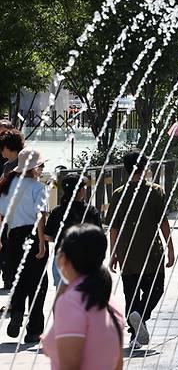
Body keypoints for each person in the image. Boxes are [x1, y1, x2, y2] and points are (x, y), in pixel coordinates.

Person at [106, 151, 175, 349]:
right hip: (151, 251)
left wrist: (113, 254)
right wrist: (170, 248)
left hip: (127, 251)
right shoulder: (156, 191)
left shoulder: (119, 194)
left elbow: (114, 229)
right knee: (156, 288)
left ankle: (135, 334)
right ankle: (141, 315)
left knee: (131, 293)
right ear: (144, 167)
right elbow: (163, 223)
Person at [42, 224, 124, 370]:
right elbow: (118, 364)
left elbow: (70, 366)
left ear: (66, 258)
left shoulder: (72, 302)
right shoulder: (107, 300)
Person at [0, 147, 49, 343]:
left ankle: (17, 312)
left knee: (19, 279)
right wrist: (41, 243)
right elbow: (40, 216)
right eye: (41, 165)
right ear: (35, 168)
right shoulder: (38, 187)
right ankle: (34, 330)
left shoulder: (7, 186)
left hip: (13, 237)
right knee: (39, 284)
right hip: (32, 234)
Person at [45, 173, 103, 291]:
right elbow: (99, 237)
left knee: (62, 296)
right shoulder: (90, 211)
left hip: (62, 258)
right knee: (84, 298)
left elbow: (47, 236)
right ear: (81, 190)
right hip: (85, 259)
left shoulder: (57, 211)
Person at [0, 128, 24, 290]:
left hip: (18, 216)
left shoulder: (22, 165)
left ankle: (12, 280)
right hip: (9, 215)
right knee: (8, 249)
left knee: (12, 249)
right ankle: (10, 279)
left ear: (8, 147)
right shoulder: (8, 165)